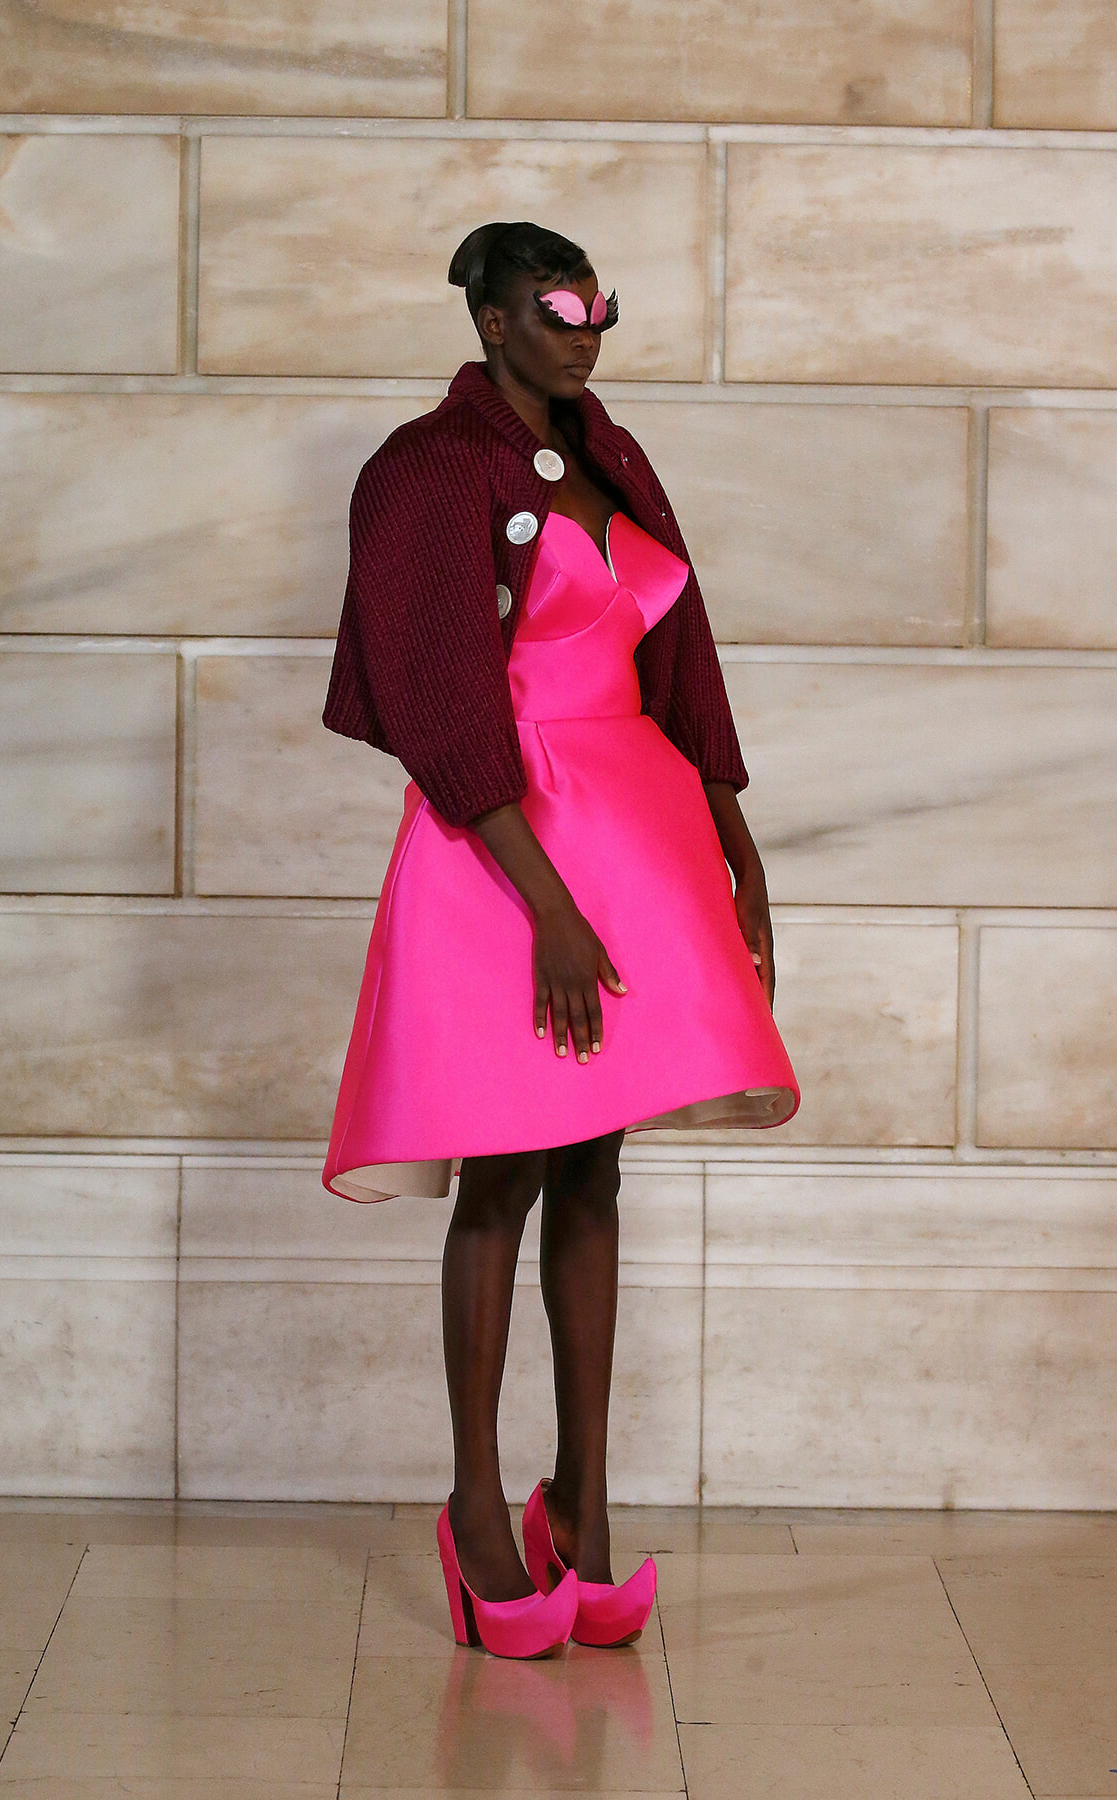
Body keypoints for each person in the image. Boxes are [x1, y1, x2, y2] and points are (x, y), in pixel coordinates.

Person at [321, 221, 799, 1658]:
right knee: (507, 1169)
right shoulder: (423, 468)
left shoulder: (614, 455)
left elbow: (679, 662)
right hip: (503, 840)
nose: (585, 326)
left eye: (600, 302)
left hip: (632, 829)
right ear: (488, 319)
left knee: (597, 1163)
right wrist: (544, 906)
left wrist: (735, 841)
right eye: (557, 304)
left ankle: (579, 1506)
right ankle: (479, 1520)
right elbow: (429, 694)